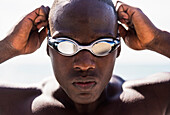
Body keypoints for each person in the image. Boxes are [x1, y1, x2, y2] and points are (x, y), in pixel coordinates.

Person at [0, 0, 169, 114]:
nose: (84, 64)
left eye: (102, 45)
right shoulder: (18, 105)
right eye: (66, 45)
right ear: (48, 48)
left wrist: (157, 40)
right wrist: (7, 46)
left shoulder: (150, 101)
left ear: (117, 49)